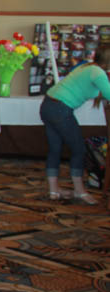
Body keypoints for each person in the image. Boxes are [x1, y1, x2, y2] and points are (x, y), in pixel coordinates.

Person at [39, 45, 110, 204]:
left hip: (48, 104)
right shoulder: (98, 72)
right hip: (60, 109)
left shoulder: (87, 66)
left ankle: (53, 190)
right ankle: (79, 191)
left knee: (55, 148)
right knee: (79, 149)